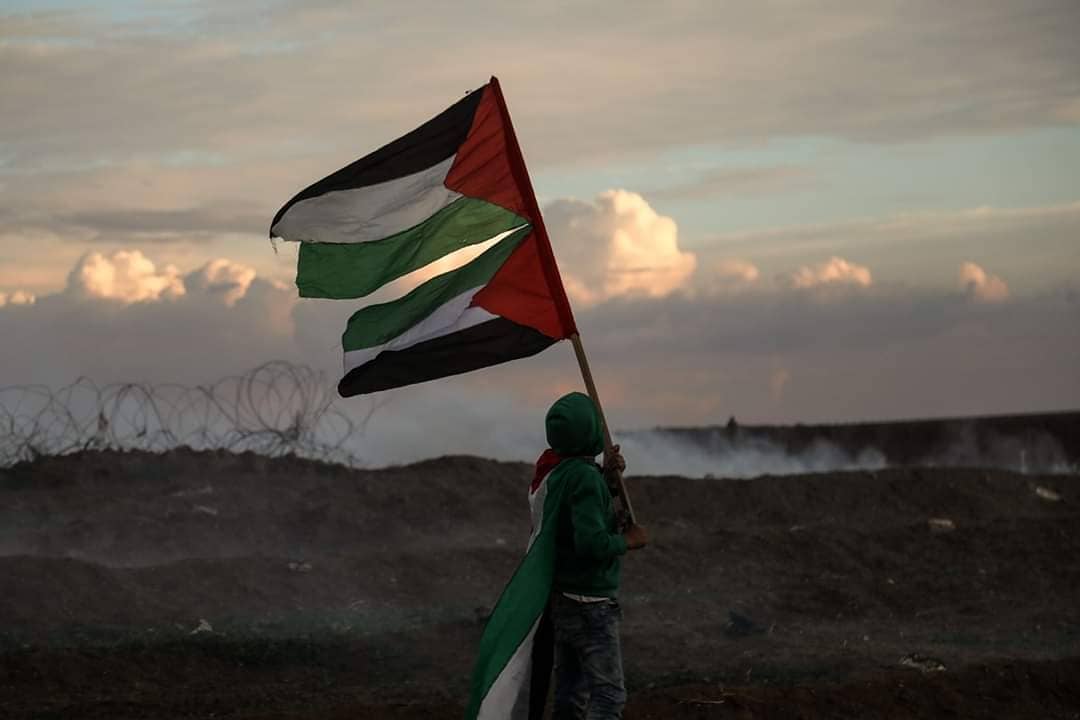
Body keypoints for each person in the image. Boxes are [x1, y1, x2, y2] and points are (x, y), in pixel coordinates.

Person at [537, 392, 648, 720]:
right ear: (589, 431)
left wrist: (608, 479)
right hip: (590, 605)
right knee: (609, 697)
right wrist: (627, 540)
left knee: (570, 695)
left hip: (564, 599)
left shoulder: (563, 472)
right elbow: (591, 543)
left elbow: (584, 507)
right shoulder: (584, 476)